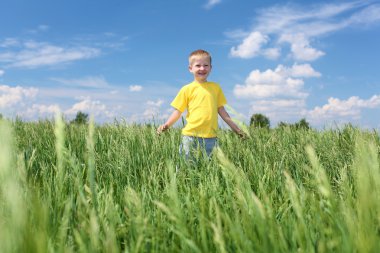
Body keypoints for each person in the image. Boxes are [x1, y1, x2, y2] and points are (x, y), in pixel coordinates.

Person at [157, 49, 245, 160]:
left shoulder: (216, 88)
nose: (202, 68)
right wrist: (167, 125)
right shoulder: (186, 89)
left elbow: (222, 111)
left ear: (211, 68)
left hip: (211, 138)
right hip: (190, 137)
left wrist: (237, 130)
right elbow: (178, 111)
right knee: (186, 167)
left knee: (209, 170)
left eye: (206, 65)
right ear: (190, 68)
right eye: (198, 65)